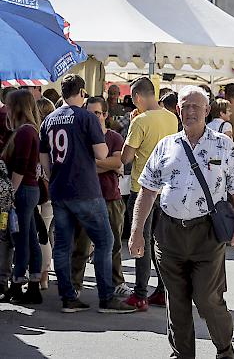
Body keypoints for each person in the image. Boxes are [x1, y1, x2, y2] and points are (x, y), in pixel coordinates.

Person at [129, 86, 234, 359]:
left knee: (208, 300)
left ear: (207, 111)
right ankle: (182, 354)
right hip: (168, 233)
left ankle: (224, 349)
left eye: (197, 106)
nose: (191, 111)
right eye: (186, 106)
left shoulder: (223, 144)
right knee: (177, 300)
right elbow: (147, 191)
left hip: (207, 234)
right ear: (178, 110)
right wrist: (137, 231)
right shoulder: (166, 146)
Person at [39, 74, 135, 313]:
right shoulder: (86, 117)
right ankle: (106, 297)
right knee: (104, 241)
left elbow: (44, 160)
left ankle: (68, 297)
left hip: (59, 189)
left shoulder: (48, 120)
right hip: (85, 189)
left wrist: (55, 177)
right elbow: (102, 154)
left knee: (62, 245)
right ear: (82, 93)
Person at [121, 77, 179, 311]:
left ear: (137, 97)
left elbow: (125, 157)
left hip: (142, 188)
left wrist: (134, 124)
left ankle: (140, 293)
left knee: (140, 241)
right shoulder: (172, 117)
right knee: (160, 242)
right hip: (167, 188)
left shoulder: (140, 121)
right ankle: (162, 291)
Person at [71, 97, 131, 298]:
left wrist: (92, 164)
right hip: (85, 198)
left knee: (113, 244)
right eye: (88, 113)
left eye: (96, 113)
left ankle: (117, 282)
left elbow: (117, 161)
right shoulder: (79, 136)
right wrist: (104, 163)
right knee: (81, 245)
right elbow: (77, 164)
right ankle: (75, 284)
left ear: (105, 115)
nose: (92, 117)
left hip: (111, 197)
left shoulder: (114, 137)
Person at [1, 90, 43, 304]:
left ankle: (18, 283)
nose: (6, 109)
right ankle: (33, 284)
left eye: (8, 105)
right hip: (28, 189)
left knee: (21, 239)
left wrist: (11, 195)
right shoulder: (28, 130)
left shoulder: (25, 132)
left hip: (22, 191)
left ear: (16, 107)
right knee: (29, 238)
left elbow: (20, 165)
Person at [35, 97, 55, 290]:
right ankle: (44, 276)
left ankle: (34, 273)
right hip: (50, 188)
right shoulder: (55, 134)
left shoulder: (35, 133)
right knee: (46, 233)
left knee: (34, 233)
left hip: (34, 187)